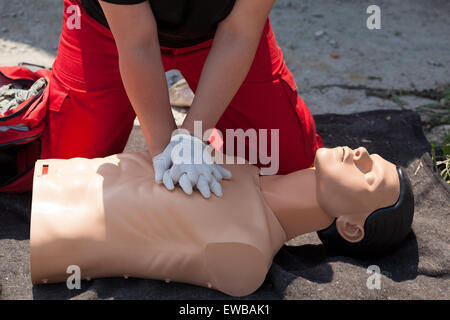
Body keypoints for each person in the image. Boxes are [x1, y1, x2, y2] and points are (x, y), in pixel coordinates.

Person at [30, 146, 414, 297]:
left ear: (351, 226)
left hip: (50, 229)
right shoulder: (247, 171)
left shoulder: (246, 255)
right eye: (372, 155)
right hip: (54, 175)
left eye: (370, 174)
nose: (362, 152)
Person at [40, 0, 322, 198]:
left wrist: (191, 137)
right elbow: (137, 42)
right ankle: (36, 92)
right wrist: (167, 157)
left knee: (285, 165)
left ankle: (207, 122)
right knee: (63, 176)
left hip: (221, 36)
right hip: (109, 30)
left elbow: (240, 33)